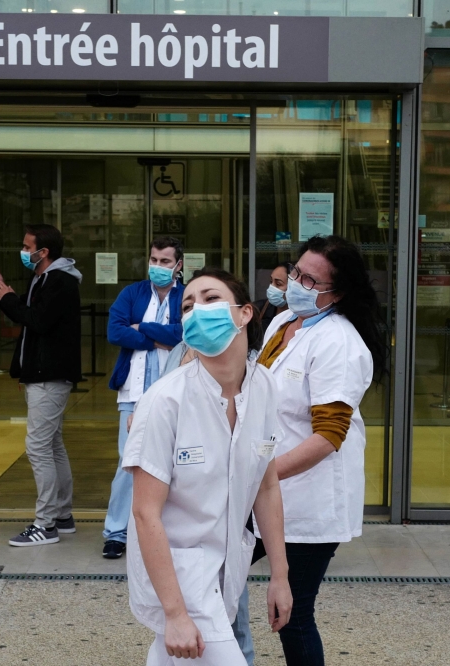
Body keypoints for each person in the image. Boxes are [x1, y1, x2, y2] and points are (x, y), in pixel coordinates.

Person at [125, 268, 293, 666]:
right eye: (188, 305)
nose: (197, 310)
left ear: (245, 313)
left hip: (226, 572)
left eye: (211, 299)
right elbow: (144, 512)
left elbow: (266, 487)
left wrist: (280, 577)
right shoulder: (165, 400)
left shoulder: (265, 387)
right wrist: (175, 614)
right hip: (181, 577)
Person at [256, 235, 384, 666]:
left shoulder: (339, 343)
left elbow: (329, 437)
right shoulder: (284, 321)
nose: (295, 283)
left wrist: (262, 473)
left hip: (309, 499)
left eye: (310, 280)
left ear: (338, 293)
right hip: (270, 487)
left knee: (293, 615)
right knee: (218, 578)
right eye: (296, 273)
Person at [0, 224, 82, 547]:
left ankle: (46, 524)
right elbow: (25, 314)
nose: (24, 252)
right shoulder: (43, 278)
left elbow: (37, 320)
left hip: (50, 375)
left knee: (37, 447)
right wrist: (3, 292)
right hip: (41, 373)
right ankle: (63, 515)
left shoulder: (60, 281)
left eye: (28, 247)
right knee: (52, 444)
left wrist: (7, 295)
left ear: (45, 252)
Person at [103, 237, 185, 560]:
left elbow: (184, 333)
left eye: (165, 261)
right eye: (154, 260)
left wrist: (143, 328)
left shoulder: (185, 296)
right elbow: (115, 331)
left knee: (172, 463)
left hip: (175, 394)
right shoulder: (132, 293)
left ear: (179, 265)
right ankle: (116, 532)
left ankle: (159, 528)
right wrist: (156, 339)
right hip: (134, 393)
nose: (158, 267)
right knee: (129, 462)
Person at [254, 262, 294, 334]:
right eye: (271, 281)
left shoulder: (301, 317)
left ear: (293, 288)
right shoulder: (258, 309)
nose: (271, 287)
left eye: (278, 284)